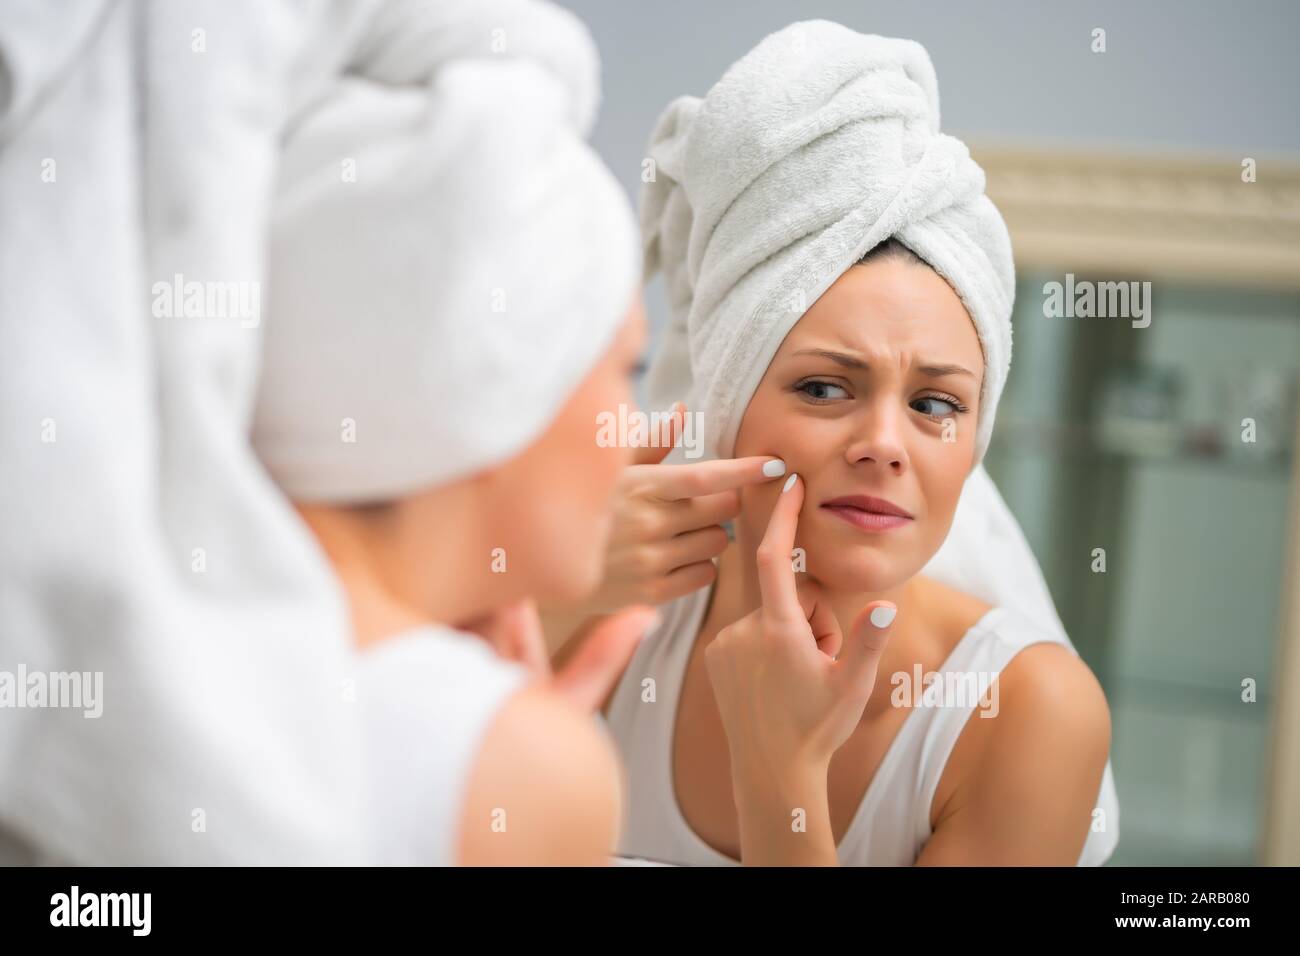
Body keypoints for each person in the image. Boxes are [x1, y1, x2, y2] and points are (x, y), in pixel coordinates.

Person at [553, 22, 1120, 865]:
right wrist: (555, 591)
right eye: (824, 387)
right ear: (724, 406)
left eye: (936, 403)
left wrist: (782, 774)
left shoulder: (1030, 712)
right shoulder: (608, 626)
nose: (885, 445)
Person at [251, 1, 661, 864]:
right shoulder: (518, 769)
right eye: (624, 371)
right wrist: (509, 763)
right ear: (499, 378)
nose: (635, 434)